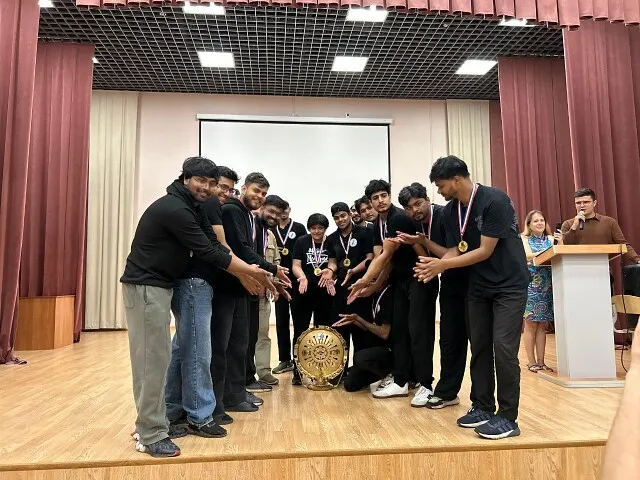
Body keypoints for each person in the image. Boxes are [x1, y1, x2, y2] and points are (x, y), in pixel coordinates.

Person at [121, 157, 273, 457]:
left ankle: (160, 422)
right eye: (200, 181)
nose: (206, 187)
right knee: (151, 361)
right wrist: (250, 271)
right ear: (185, 178)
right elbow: (207, 251)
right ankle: (150, 434)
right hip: (146, 286)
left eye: (211, 183)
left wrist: (251, 271)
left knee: (163, 357)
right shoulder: (176, 209)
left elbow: (214, 244)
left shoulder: (193, 207)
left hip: (162, 285)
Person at [416, 155, 529, 440]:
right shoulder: (450, 212)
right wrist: (435, 266)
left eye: (441, 185)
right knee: (479, 346)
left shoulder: (495, 201)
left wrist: (441, 266)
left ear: (456, 180)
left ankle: (508, 417)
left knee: (503, 348)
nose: (439, 191)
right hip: (478, 286)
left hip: (509, 285)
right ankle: (482, 406)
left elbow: (484, 251)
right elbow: (457, 248)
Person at [211, 172, 291, 421]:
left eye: (264, 193)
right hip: (227, 286)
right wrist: (272, 268)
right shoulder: (232, 210)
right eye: (256, 190)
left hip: (242, 287)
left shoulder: (247, 216)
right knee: (225, 347)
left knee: (240, 344)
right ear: (244, 188)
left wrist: (268, 277)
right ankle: (224, 398)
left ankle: (236, 393)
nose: (260, 196)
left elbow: (249, 252)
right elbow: (240, 249)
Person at [349, 180, 424, 400]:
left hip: (418, 278)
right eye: (375, 198)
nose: (380, 201)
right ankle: (402, 379)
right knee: (400, 332)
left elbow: (386, 256)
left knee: (417, 332)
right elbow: (386, 260)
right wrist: (373, 285)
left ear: (389, 196)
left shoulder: (397, 218)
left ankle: (422, 380)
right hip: (399, 280)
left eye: (383, 195)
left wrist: (365, 281)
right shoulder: (378, 225)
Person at [394, 183, 441, 407]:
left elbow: (451, 250)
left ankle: (426, 383)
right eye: (409, 208)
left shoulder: (443, 216)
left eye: (418, 204)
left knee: (422, 332)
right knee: (408, 330)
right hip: (422, 275)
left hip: (440, 276)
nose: (415, 210)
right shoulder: (410, 222)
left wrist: (422, 243)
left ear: (428, 199)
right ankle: (408, 379)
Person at [247, 195, 289, 389]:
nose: (274, 216)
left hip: (264, 294)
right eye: (271, 211)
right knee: (245, 336)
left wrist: (277, 284)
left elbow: (276, 262)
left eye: (278, 214)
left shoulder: (270, 235)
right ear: (262, 207)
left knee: (263, 334)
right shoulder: (249, 228)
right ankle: (245, 375)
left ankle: (263, 371)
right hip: (246, 290)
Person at [291, 213, 338, 385]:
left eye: (320, 228)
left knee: (323, 333)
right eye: (313, 228)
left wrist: (330, 272)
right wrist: (302, 277)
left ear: (325, 229)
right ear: (309, 228)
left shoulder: (331, 242)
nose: (317, 231)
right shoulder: (301, 241)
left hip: (324, 293)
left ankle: (321, 370)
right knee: (300, 332)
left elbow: (333, 262)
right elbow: (296, 265)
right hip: (303, 292)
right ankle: (298, 371)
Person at [327, 202, 374, 358]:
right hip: (340, 288)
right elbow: (333, 261)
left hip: (360, 286)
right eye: (336, 218)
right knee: (340, 329)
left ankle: (360, 367)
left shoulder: (365, 232)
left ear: (350, 214)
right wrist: (329, 271)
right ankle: (342, 368)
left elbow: (370, 258)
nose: (340, 220)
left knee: (360, 330)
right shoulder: (332, 238)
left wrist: (353, 270)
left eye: (343, 216)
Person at [334, 282, 394, 393]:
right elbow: (370, 327)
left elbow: (384, 333)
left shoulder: (388, 295)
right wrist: (354, 321)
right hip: (377, 347)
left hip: (391, 349)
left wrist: (359, 319)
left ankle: (392, 373)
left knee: (360, 357)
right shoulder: (374, 296)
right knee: (350, 385)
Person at [520, 210, 560, 373]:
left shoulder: (551, 239)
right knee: (530, 325)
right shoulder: (524, 238)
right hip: (531, 285)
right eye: (535, 221)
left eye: (542, 220)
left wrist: (560, 243)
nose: (539, 223)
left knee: (543, 325)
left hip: (548, 286)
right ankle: (531, 362)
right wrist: (550, 251)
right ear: (529, 224)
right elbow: (527, 255)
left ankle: (542, 362)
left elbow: (559, 255)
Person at [561, 187, 640, 266]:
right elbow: (564, 247)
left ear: (594, 203)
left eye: (586, 202)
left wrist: (637, 259)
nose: (582, 206)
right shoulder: (568, 224)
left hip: (602, 268)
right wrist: (574, 226)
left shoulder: (609, 222)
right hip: (575, 268)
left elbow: (623, 245)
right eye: (578, 203)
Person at [271, 202, 307, 375]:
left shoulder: (299, 228)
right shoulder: (271, 229)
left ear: (289, 210)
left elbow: (306, 251)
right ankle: (284, 360)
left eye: (286, 210)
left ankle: (299, 358)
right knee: (281, 321)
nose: (283, 213)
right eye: (281, 210)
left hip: (297, 281)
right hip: (279, 280)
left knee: (299, 321)